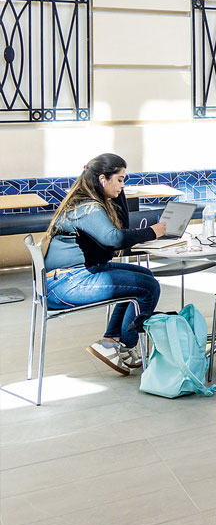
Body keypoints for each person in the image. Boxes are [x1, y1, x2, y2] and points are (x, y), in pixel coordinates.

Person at [42, 153, 166, 374]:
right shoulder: (86, 207)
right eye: (120, 179)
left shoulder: (89, 201)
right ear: (102, 179)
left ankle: (111, 342)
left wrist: (118, 192)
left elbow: (122, 228)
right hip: (66, 284)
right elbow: (114, 239)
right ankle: (124, 345)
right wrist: (151, 232)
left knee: (144, 276)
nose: (122, 185)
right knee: (149, 287)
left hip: (74, 275)